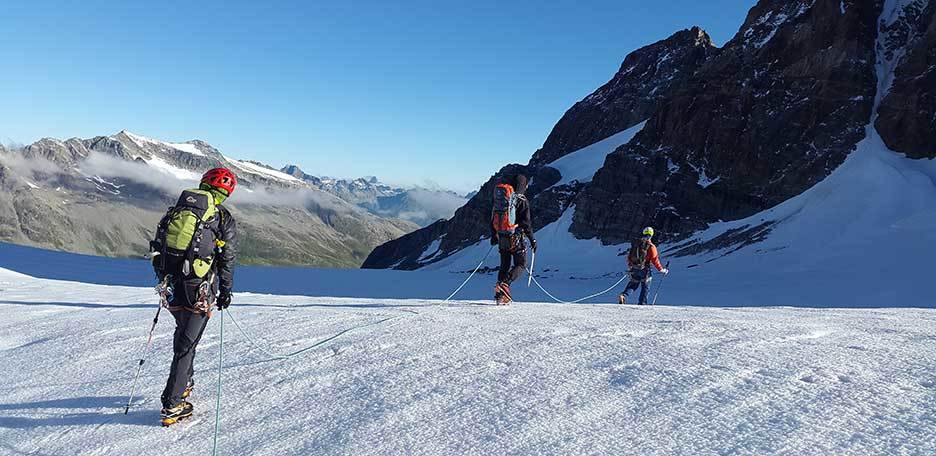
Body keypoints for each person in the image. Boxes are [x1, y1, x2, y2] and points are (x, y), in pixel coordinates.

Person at [150, 167, 238, 426]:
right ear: (227, 192)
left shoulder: (176, 210)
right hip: (198, 288)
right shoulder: (221, 217)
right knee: (185, 346)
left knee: (183, 335)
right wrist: (226, 290)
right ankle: (172, 404)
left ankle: (185, 383)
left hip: (172, 285)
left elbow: (158, 245)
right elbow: (227, 258)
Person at [490, 174, 536, 305]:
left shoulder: (502, 199)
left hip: (502, 236)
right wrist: (532, 240)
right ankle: (505, 284)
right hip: (516, 238)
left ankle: (500, 295)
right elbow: (526, 223)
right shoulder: (522, 200)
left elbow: (493, 217)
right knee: (521, 264)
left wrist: (494, 235)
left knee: (504, 265)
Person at [618, 227, 668, 305]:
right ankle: (642, 304)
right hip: (645, 269)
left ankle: (624, 295)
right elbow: (655, 260)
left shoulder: (637, 244)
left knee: (633, 284)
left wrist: (630, 265)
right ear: (652, 235)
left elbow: (629, 256)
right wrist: (661, 270)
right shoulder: (651, 246)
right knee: (645, 287)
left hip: (635, 268)